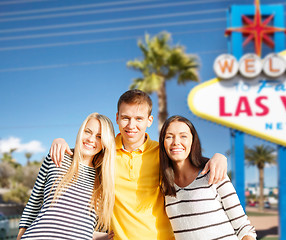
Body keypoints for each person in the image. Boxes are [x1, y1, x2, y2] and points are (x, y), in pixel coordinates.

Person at [49, 89, 227, 240]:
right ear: (117, 118)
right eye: (125, 118)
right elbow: (84, 150)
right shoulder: (105, 153)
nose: (131, 125)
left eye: (139, 119)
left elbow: (190, 160)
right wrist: (59, 142)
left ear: (149, 121)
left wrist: (219, 157)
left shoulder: (162, 153)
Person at [17, 113, 116, 240]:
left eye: (99, 136)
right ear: (81, 131)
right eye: (88, 132)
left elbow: (81, 225)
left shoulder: (104, 179)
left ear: (105, 143)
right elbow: (33, 206)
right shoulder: (58, 157)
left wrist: (103, 236)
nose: (91, 139)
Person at [160, 115, 257, 240]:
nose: (176, 142)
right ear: (163, 142)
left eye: (183, 136)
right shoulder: (164, 184)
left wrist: (220, 156)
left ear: (192, 141)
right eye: (169, 136)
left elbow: (243, 227)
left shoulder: (213, 173)